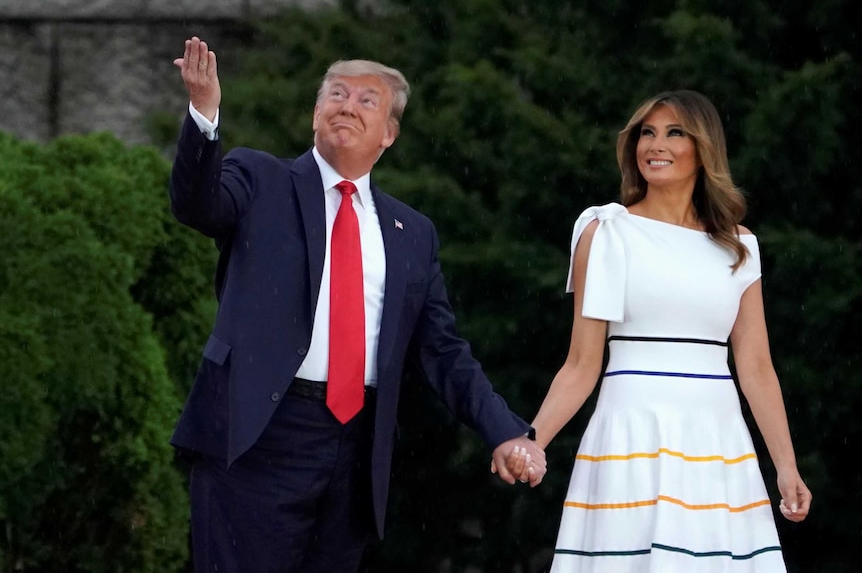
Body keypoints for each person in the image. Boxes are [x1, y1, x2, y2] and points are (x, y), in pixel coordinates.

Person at [167, 37, 545, 573]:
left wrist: (506, 430)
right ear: (315, 114)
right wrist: (204, 112)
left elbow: (443, 350)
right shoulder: (260, 179)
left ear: (390, 133)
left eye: (368, 100)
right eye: (336, 94)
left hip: (355, 451)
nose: (347, 105)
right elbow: (195, 203)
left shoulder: (412, 232)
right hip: (257, 438)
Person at [507, 90, 811, 571]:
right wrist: (529, 440)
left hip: (717, 441)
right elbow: (582, 364)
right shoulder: (606, 231)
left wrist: (787, 467)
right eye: (647, 132)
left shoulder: (740, 246)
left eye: (674, 132)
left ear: (703, 148)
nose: (655, 144)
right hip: (631, 433)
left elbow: (755, 367)